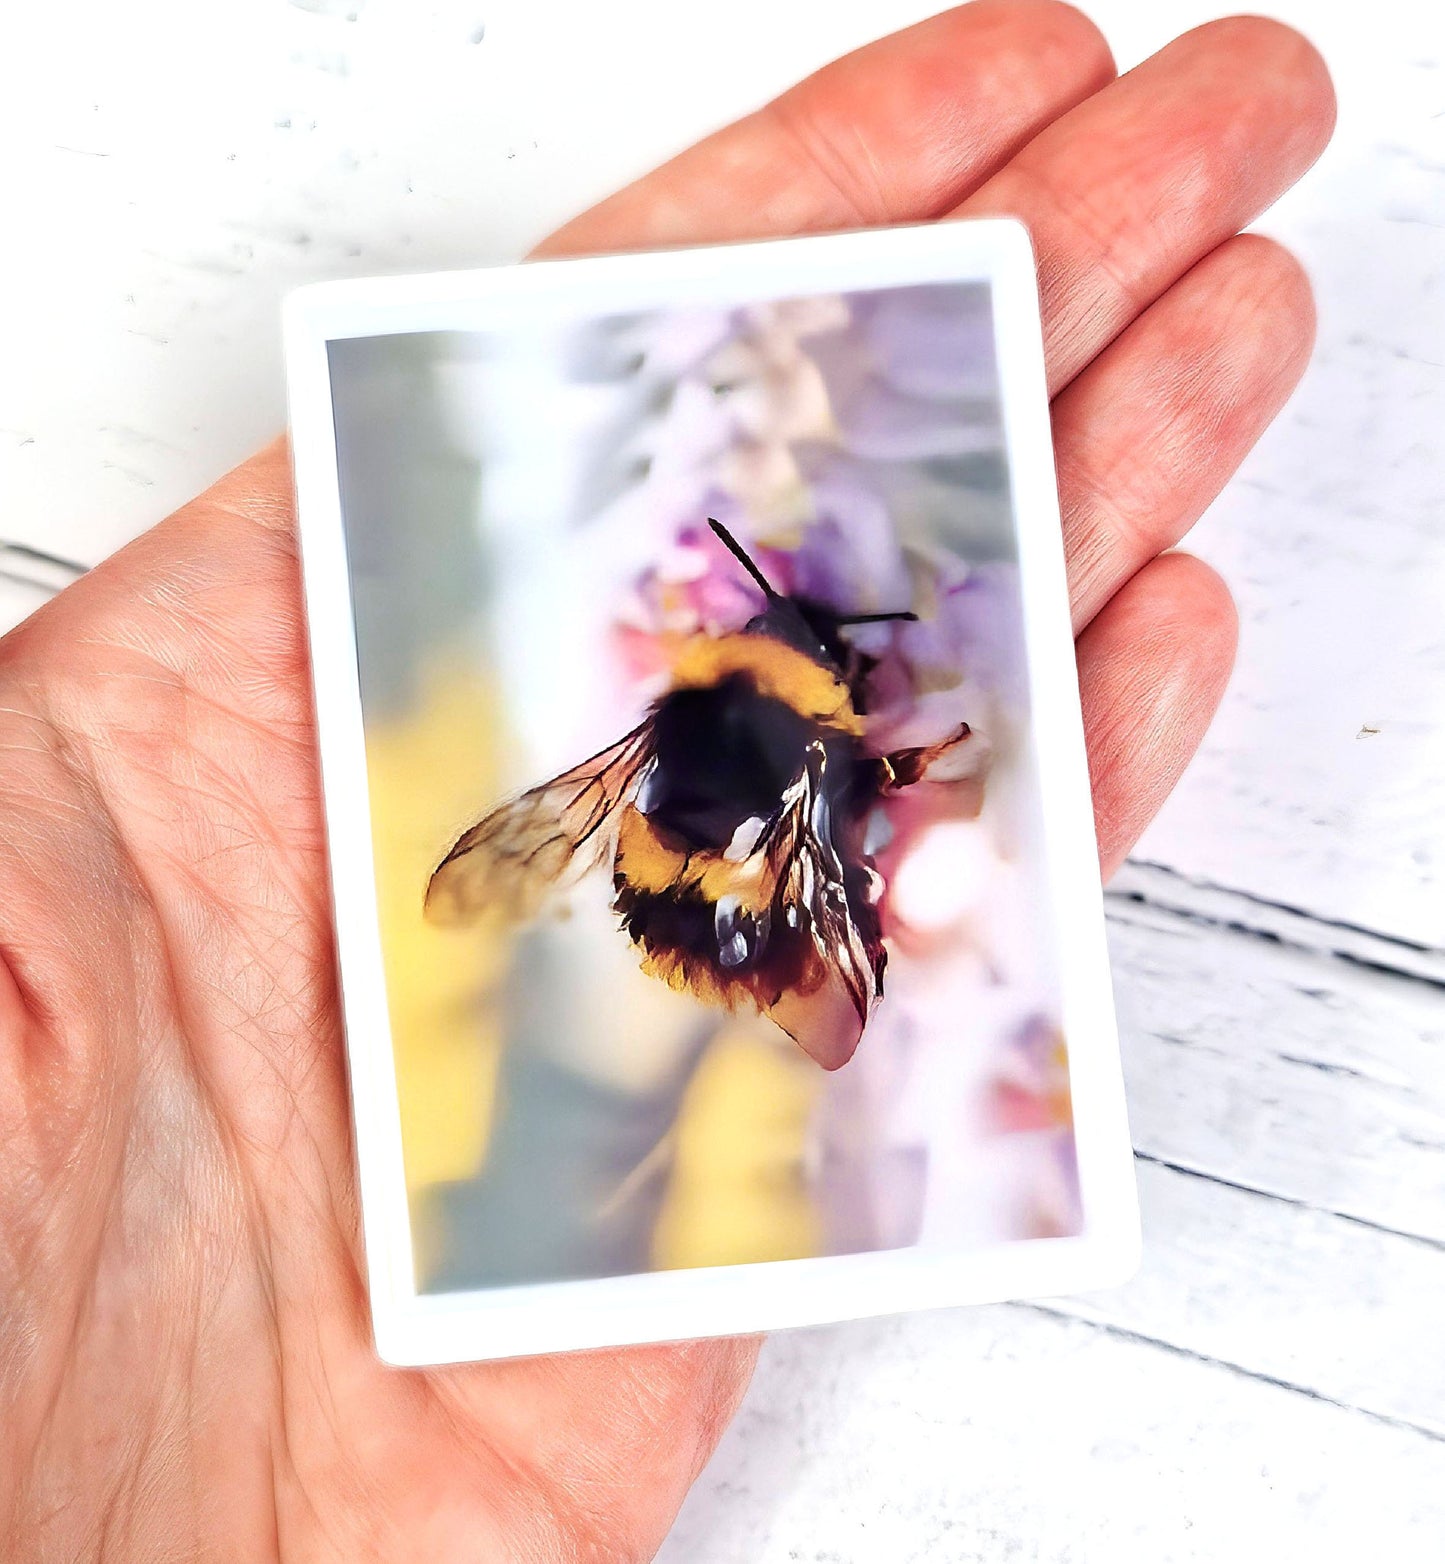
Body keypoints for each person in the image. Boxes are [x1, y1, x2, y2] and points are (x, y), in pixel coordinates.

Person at [0, 3, 1333, 1558]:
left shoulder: (686, 712)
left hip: (660, 885)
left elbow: (690, 778)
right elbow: (824, 783)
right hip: (698, 904)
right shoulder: (779, 732)